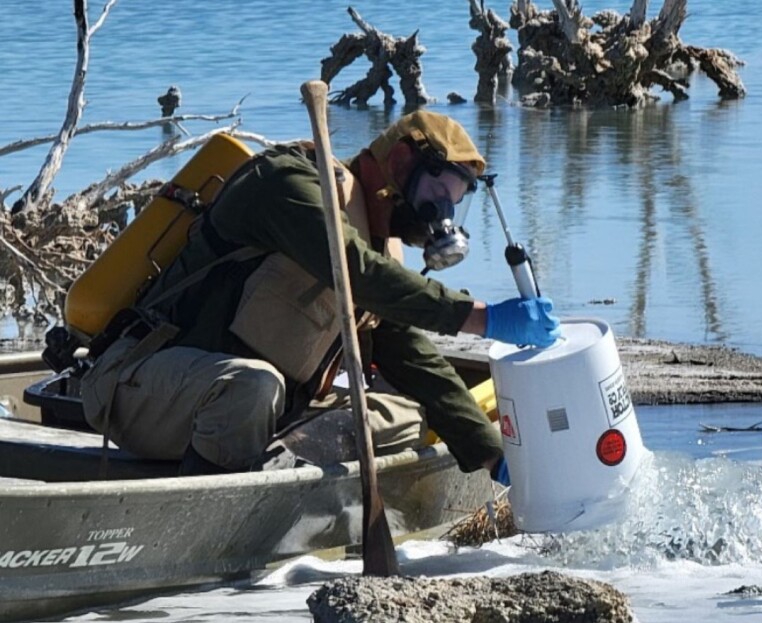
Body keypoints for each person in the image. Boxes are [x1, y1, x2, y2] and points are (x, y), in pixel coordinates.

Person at [80, 110, 560, 481]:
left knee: (407, 415)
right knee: (250, 386)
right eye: (438, 192)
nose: (440, 214)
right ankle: (203, 522)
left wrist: (489, 451)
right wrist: (481, 317)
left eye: (452, 202)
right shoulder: (287, 183)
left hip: (258, 414)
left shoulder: (375, 243)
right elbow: (354, 271)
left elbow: (413, 360)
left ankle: (279, 472)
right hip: (142, 384)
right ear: (399, 162)